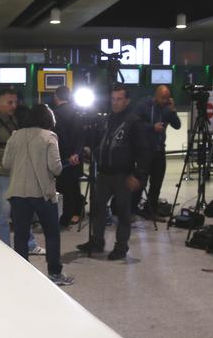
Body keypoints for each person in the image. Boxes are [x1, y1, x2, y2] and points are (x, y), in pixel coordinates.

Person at [2, 104, 73, 286]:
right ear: (48, 119)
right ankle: (55, 273)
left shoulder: (15, 136)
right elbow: (55, 168)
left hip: (18, 193)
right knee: (51, 234)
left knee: (20, 235)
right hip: (42, 193)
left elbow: (6, 163)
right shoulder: (49, 137)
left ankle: (22, 274)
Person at [77, 85, 150, 260]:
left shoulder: (134, 122)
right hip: (103, 173)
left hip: (123, 174)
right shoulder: (107, 120)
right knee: (98, 210)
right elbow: (102, 143)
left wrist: (138, 175)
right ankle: (97, 241)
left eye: (119, 99)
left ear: (127, 101)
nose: (115, 103)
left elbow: (144, 151)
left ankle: (121, 247)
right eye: (113, 99)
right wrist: (92, 153)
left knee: (123, 213)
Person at [0, 89, 43, 254]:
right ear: (0, 103)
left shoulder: (14, 121)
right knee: (3, 213)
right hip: (1, 173)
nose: (13, 106)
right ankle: (3, 248)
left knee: (22, 211)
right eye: (9, 102)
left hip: (16, 172)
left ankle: (28, 244)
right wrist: (12, 157)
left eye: (15, 102)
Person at [132, 85, 181, 220]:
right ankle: (131, 209)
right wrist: (152, 127)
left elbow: (177, 126)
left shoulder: (167, 108)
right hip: (144, 150)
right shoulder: (143, 105)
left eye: (167, 98)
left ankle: (151, 210)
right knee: (140, 181)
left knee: (157, 183)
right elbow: (134, 123)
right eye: (163, 98)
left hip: (160, 150)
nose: (165, 101)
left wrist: (173, 111)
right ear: (156, 96)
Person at [53, 85, 84, 227]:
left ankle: (65, 216)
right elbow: (80, 136)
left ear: (56, 96)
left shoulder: (53, 114)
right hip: (75, 156)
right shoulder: (77, 112)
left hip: (60, 156)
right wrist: (76, 153)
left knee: (63, 188)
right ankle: (76, 212)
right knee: (73, 186)